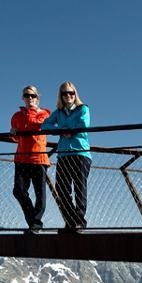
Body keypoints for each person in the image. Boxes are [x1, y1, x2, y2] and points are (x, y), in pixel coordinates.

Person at [41, 81, 91, 229]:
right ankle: (71, 221)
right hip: (63, 155)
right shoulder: (59, 113)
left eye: (71, 93)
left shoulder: (83, 109)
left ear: (75, 94)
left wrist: (69, 130)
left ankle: (79, 223)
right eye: (65, 93)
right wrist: (61, 129)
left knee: (79, 188)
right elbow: (45, 125)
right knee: (62, 189)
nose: (68, 96)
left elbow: (83, 125)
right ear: (61, 96)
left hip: (80, 153)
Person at [9, 85, 51, 232]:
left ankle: (35, 224)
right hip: (21, 158)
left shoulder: (44, 114)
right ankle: (33, 220)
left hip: (39, 158)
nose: (30, 98)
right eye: (27, 96)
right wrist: (14, 134)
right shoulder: (16, 116)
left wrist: (31, 115)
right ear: (23, 98)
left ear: (38, 98)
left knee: (40, 194)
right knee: (18, 191)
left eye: (33, 96)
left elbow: (39, 127)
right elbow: (16, 138)